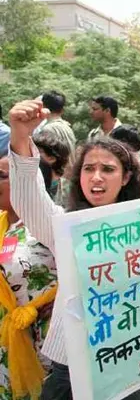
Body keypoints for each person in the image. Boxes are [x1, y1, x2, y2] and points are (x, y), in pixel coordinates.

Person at [7, 99, 140, 400]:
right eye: (89, 168)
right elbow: (30, 198)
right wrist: (20, 136)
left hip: (137, 362)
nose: (96, 177)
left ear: (126, 177)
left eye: (108, 169)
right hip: (74, 365)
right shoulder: (65, 227)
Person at [0, 155, 58, 399]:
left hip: (44, 340)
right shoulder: (2, 223)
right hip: (7, 339)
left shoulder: (49, 226)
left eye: (1, 176)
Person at [38, 91, 77, 168]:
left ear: (43, 107)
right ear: (62, 109)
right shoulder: (67, 127)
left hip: (58, 173)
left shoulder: (47, 129)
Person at [32, 131, 71, 205]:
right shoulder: (29, 185)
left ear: (52, 158)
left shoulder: (69, 191)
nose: (31, 155)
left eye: (36, 151)